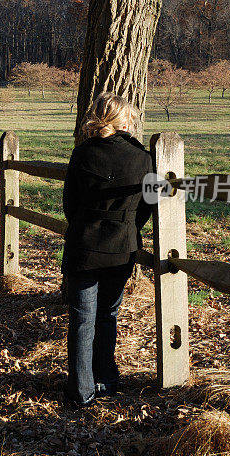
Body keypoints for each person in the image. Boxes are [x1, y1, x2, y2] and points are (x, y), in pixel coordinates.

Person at [62, 91, 154, 407]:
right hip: (121, 246)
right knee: (108, 314)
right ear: (125, 119)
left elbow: (69, 205)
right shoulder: (144, 158)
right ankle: (107, 378)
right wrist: (128, 226)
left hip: (83, 246)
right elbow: (149, 205)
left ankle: (81, 389)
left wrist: (85, 225)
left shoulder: (82, 154)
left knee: (81, 318)